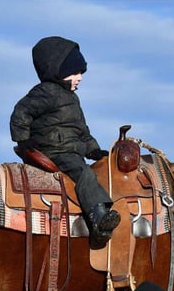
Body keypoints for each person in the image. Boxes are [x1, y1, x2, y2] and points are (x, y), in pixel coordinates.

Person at [10, 36, 121, 250]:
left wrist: (94, 149)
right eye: (75, 72)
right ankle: (99, 217)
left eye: (81, 73)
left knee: (93, 169)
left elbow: (81, 130)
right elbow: (21, 112)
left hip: (70, 150)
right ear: (57, 71)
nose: (79, 77)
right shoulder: (45, 92)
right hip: (54, 150)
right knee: (84, 174)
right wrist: (23, 140)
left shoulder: (72, 98)